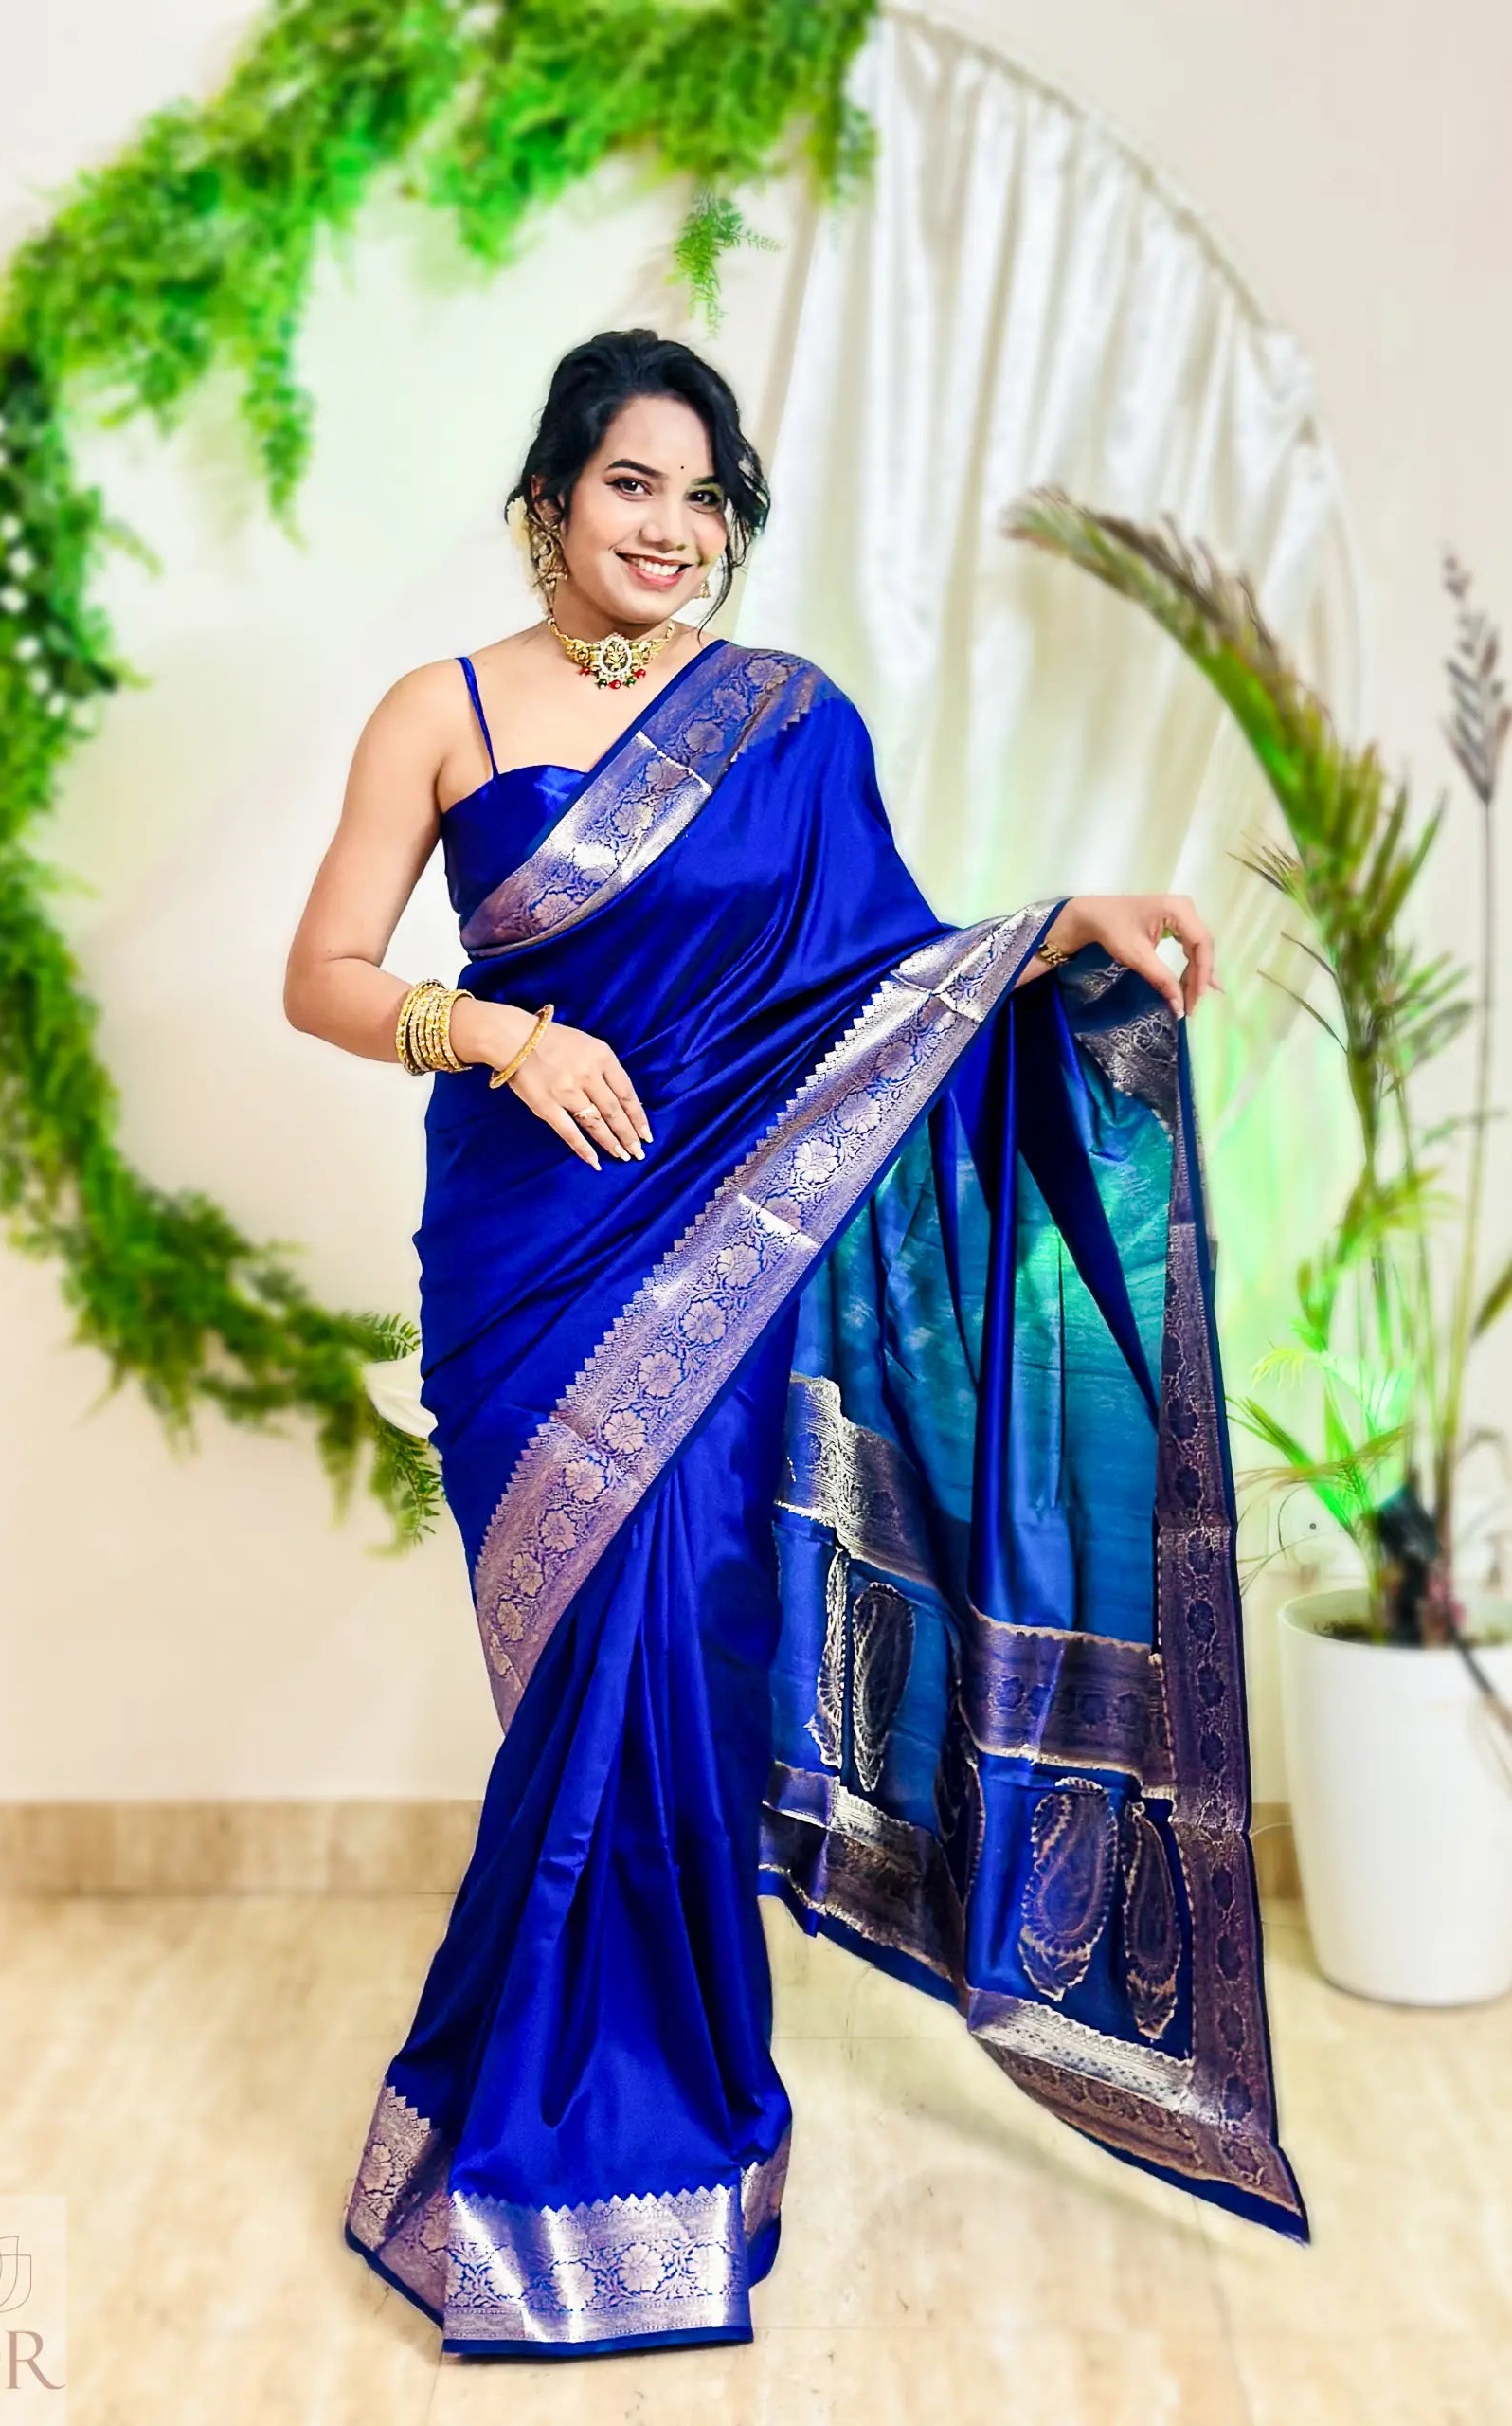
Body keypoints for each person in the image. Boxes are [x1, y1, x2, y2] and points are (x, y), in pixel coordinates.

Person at [283, 327, 1306, 2362]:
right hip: (527, 1255)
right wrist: (498, 1027)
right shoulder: (439, 710)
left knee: (676, 1652)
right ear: (553, 498)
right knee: (593, 1668)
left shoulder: (786, 723)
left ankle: (633, 2137)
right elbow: (318, 970)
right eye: (632, 485)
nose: (673, 527)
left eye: (705, 495)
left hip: (726, 1255)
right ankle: (559, 2134)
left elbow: (880, 988)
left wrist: (1051, 931)